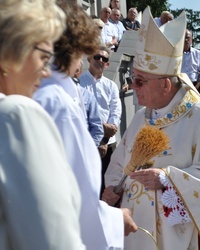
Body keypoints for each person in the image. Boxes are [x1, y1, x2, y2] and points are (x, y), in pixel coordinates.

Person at [103, 8, 200, 249]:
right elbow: (119, 162)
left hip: (178, 237)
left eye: (139, 80)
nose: (132, 87)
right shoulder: (140, 118)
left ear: (166, 84)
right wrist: (111, 187)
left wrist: (168, 179)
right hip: (136, 233)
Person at [34, 2, 137, 249]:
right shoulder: (58, 102)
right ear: (79, 48)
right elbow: (73, 194)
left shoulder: (52, 92)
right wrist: (115, 220)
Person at [0, 0, 85, 248]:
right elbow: (54, 241)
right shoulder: (18, 115)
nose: (46, 72)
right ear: (13, 51)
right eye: (44, 57)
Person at [79, 46, 122, 194]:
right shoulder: (79, 83)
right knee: (86, 185)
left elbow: (115, 112)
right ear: (89, 59)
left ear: (108, 64)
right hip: (86, 142)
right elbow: (80, 114)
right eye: (97, 57)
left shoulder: (111, 86)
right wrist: (101, 129)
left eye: (104, 59)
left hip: (108, 144)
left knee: (108, 185)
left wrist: (104, 139)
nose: (100, 61)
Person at [73, 61, 104, 147]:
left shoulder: (88, 96)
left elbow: (97, 129)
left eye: (76, 70)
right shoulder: (54, 94)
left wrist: (87, 149)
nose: (72, 73)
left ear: (80, 73)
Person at [181, 29, 200, 94]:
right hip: (180, 86)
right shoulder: (175, 54)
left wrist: (198, 84)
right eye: (183, 37)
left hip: (195, 85)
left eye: (187, 38)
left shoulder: (198, 53)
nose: (185, 40)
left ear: (191, 39)